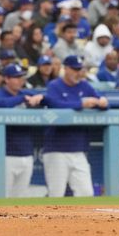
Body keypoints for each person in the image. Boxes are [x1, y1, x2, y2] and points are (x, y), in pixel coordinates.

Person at [42, 55, 108, 197]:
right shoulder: (54, 85)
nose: (78, 72)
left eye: (80, 69)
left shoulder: (84, 85)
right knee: (56, 194)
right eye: (75, 69)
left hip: (79, 149)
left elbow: (102, 103)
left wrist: (103, 102)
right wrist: (80, 104)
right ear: (65, 69)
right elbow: (54, 104)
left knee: (86, 193)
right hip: (56, 149)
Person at [0, 63, 45, 198]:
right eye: (16, 77)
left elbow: (48, 98)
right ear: (6, 79)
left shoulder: (26, 94)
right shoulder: (0, 94)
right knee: (2, 197)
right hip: (5, 155)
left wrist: (41, 97)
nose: (20, 80)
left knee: (20, 198)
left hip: (26, 153)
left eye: (21, 77)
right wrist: (20, 99)